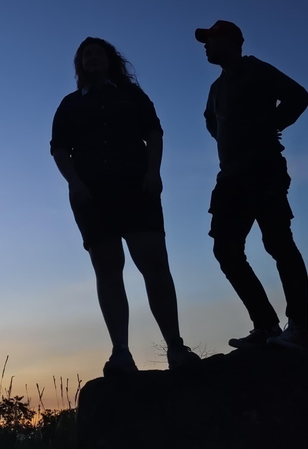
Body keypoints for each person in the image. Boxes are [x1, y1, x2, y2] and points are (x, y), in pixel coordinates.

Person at [51, 37, 199, 376]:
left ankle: (175, 346)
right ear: (80, 64)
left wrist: (153, 172)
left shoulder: (132, 95)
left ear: (109, 59)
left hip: (136, 186)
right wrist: (74, 182)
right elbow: (59, 148)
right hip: (91, 193)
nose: (91, 58)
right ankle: (121, 351)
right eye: (85, 54)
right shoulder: (70, 104)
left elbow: (154, 133)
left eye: (97, 52)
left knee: (153, 261)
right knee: (107, 267)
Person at [196, 20, 308, 351]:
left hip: (264, 170)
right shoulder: (216, 87)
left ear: (232, 41)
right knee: (226, 250)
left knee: (278, 243)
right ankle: (266, 326)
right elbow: (211, 119)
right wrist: (228, 138)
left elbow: (299, 96)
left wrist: (271, 125)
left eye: (211, 39)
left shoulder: (257, 70)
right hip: (230, 178)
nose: (206, 45)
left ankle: (299, 330)